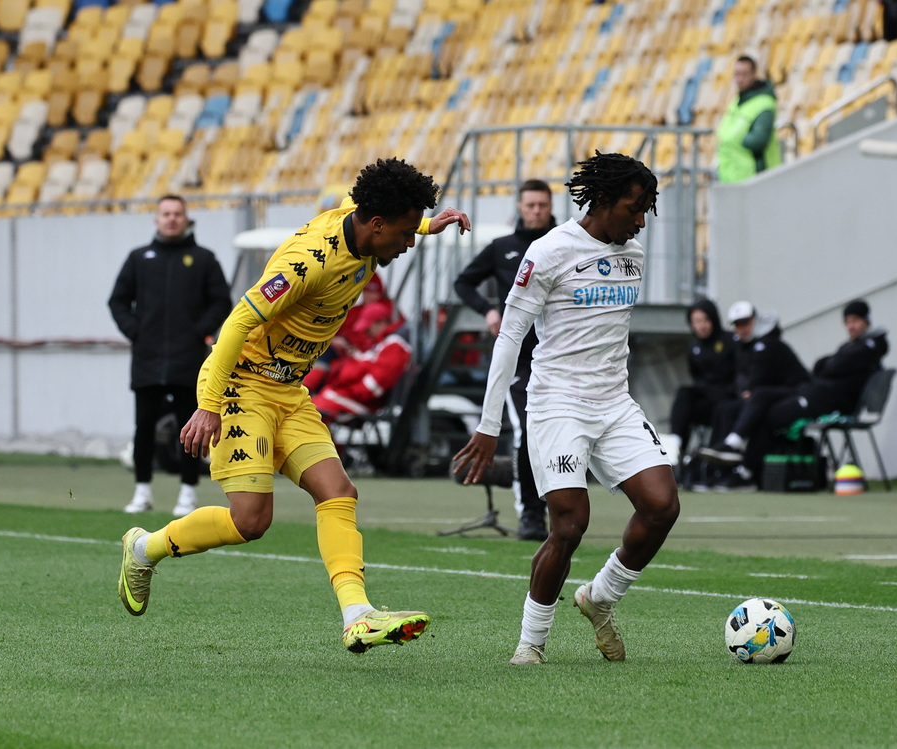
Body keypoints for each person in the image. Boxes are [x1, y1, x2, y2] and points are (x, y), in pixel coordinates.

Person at [117, 158, 471, 656]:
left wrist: (432, 224)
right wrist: (208, 406)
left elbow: (376, 212)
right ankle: (143, 548)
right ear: (376, 225)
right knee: (250, 522)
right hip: (241, 386)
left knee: (338, 491)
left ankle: (357, 616)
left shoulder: (362, 219)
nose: (410, 242)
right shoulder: (309, 263)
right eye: (405, 233)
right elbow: (237, 323)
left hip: (288, 390)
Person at [452, 152, 680, 666]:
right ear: (602, 200)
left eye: (646, 210)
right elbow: (510, 336)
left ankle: (600, 597)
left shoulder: (633, 253)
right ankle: (531, 643)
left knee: (663, 505)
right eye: (634, 208)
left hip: (614, 403)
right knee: (571, 525)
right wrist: (489, 425)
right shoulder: (549, 251)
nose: (641, 221)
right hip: (557, 404)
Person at [108, 195, 231, 517]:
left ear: (186, 219)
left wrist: (198, 332)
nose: (172, 219)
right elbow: (118, 301)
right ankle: (142, 492)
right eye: (166, 214)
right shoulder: (139, 258)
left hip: (188, 361)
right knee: (143, 427)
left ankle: (188, 494)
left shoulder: (203, 259)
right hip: (147, 360)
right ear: (157, 219)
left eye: (177, 213)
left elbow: (222, 301)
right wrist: (136, 331)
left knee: (189, 429)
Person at [453, 178, 556, 541]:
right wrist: (488, 311)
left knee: (561, 435)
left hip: (559, 356)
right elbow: (463, 283)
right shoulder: (502, 248)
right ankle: (531, 514)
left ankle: (562, 510)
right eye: (530, 205)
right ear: (520, 207)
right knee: (528, 431)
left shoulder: (564, 243)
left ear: (551, 206)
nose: (536, 211)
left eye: (542, 205)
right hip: (520, 360)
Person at [702, 299, 889, 478]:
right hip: (813, 394)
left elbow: (831, 366)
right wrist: (830, 364)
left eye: (855, 320)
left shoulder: (870, 347)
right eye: (847, 321)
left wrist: (830, 363)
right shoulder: (850, 347)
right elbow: (823, 366)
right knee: (761, 396)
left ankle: (746, 472)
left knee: (768, 414)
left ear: (867, 321)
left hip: (829, 403)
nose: (850, 326)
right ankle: (733, 444)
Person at [695, 301, 808, 491]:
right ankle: (720, 468)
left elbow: (760, 381)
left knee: (761, 412)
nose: (742, 328)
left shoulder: (768, 344)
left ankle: (740, 459)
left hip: (795, 397)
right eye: (737, 324)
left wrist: (750, 391)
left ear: (756, 320)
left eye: (746, 322)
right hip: (769, 398)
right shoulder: (745, 347)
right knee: (725, 408)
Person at [307, 303, 411, 424]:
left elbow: (375, 385)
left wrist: (348, 388)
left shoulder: (394, 346)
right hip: (343, 393)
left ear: (381, 323)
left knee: (308, 413)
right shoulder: (381, 343)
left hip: (357, 400)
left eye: (368, 329)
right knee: (306, 408)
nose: (366, 333)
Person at [669, 298, 736, 478]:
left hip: (727, 400)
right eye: (697, 321)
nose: (702, 326)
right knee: (684, 394)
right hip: (707, 401)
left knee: (721, 407)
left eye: (705, 320)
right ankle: (675, 445)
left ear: (713, 319)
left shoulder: (730, 341)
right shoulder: (694, 348)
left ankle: (714, 465)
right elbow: (696, 377)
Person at [716, 56, 781, 184]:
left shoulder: (764, 103)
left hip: (755, 179)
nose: (740, 79)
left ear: (754, 74)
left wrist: (736, 139)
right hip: (732, 178)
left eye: (744, 74)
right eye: (737, 74)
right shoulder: (738, 101)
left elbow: (759, 140)